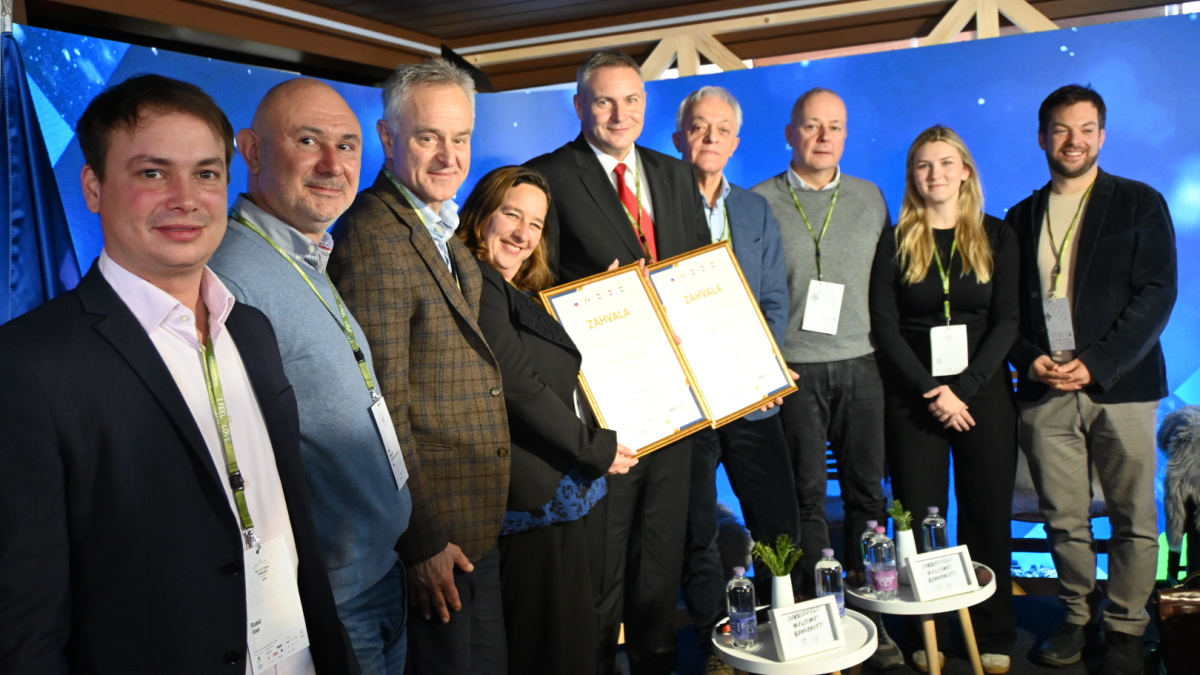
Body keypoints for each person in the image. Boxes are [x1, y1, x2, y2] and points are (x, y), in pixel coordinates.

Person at [0, 74, 355, 674]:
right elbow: (26, 624)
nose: (185, 198)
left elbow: (294, 529)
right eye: (152, 173)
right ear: (93, 186)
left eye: (207, 173)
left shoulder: (252, 331)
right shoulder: (29, 366)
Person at [207, 78, 413, 673]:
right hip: (326, 600)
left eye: (347, 146)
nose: (332, 164)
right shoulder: (227, 279)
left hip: (379, 573)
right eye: (308, 140)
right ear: (250, 150)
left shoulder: (307, 253)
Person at [525, 49, 710, 675]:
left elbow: (702, 279)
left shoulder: (676, 174)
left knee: (660, 557)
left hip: (677, 401)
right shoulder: (546, 176)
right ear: (579, 107)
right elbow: (525, 287)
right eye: (603, 100)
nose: (618, 113)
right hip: (604, 405)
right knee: (602, 561)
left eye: (631, 99)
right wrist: (586, 298)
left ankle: (657, 664)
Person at [328, 58, 510, 675]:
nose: (448, 156)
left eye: (460, 138)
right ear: (387, 138)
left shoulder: (446, 233)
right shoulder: (373, 237)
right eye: (427, 137)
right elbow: (380, 405)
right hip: (433, 539)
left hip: (473, 525)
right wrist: (422, 540)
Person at [1007, 85, 1176, 675]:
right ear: (1042, 137)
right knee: (1063, 515)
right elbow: (1006, 314)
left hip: (1121, 387)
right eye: (1060, 129)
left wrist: (1099, 362)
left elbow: (1157, 294)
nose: (1072, 140)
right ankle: (1078, 615)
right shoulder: (1021, 217)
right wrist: (1029, 359)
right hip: (1045, 388)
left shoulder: (1138, 202)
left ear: (1102, 136)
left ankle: (1128, 624)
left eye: (1084, 129)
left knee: (1134, 515)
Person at [458, 165, 640, 675]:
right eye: (511, 214)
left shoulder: (512, 290)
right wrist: (594, 448)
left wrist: (600, 306)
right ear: (481, 213)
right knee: (550, 651)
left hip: (556, 496)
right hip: (530, 501)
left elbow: (550, 356)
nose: (522, 233)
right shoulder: (479, 282)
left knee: (569, 644)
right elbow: (517, 386)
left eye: (535, 223)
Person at [751, 86, 898, 668]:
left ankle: (876, 621)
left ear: (846, 134)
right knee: (806, 498)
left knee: (868, 497)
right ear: (790, 133)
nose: (822, 137)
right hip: (795, 369)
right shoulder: (758, 201)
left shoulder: (871, 198)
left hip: (862, 365)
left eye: (834, 126)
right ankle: (824, 619)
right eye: (811, 126)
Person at [869, 126, 1018, 674]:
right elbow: (885, 327)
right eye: (924, 165)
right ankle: (924, 631)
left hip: (984, 397)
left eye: (946, 163)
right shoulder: (894, 239)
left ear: (965, 171)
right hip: (915, 399)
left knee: (986, 515)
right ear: (912, 176)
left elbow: (1007, 323)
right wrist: (934, 391)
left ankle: (991, 630)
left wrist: (965, 389)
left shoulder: (998, 237)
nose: (936, 174)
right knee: (917, 519)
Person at [670, 86, 802, 674]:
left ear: (736, 141)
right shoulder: (656, 206)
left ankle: (788, 626)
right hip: (686, 400)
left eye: (722, 129)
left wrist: (760, 363)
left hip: (751, 395)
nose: (710, 138)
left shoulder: (753, 210)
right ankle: (713, 644)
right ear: (679, 138)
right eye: (699, 128)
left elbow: (774, 300)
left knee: (779, 521)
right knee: (695, 532)